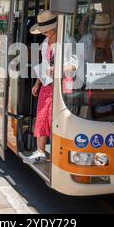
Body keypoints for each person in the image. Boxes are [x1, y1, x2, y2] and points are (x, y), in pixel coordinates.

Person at [25, 11, 77, 164]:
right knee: (42, 115)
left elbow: (74, 65)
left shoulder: (68, 41)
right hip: (47, 84)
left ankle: (57, 151)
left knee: (57, 118)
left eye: (49, 30)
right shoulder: (45, 43)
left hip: (62, 85)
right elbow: (44, 66)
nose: (46, 33)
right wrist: (37, 83)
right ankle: (40, 151)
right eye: (44, 31)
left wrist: (58, 69)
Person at [79, 13, 114, 84]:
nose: (101, 32)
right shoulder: (86, 40)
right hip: (90, 83)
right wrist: (82, 75)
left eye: (104, 29)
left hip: (113, 83)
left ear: (109, 30)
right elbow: (76, 57)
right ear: (94, 30)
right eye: (98, 29)